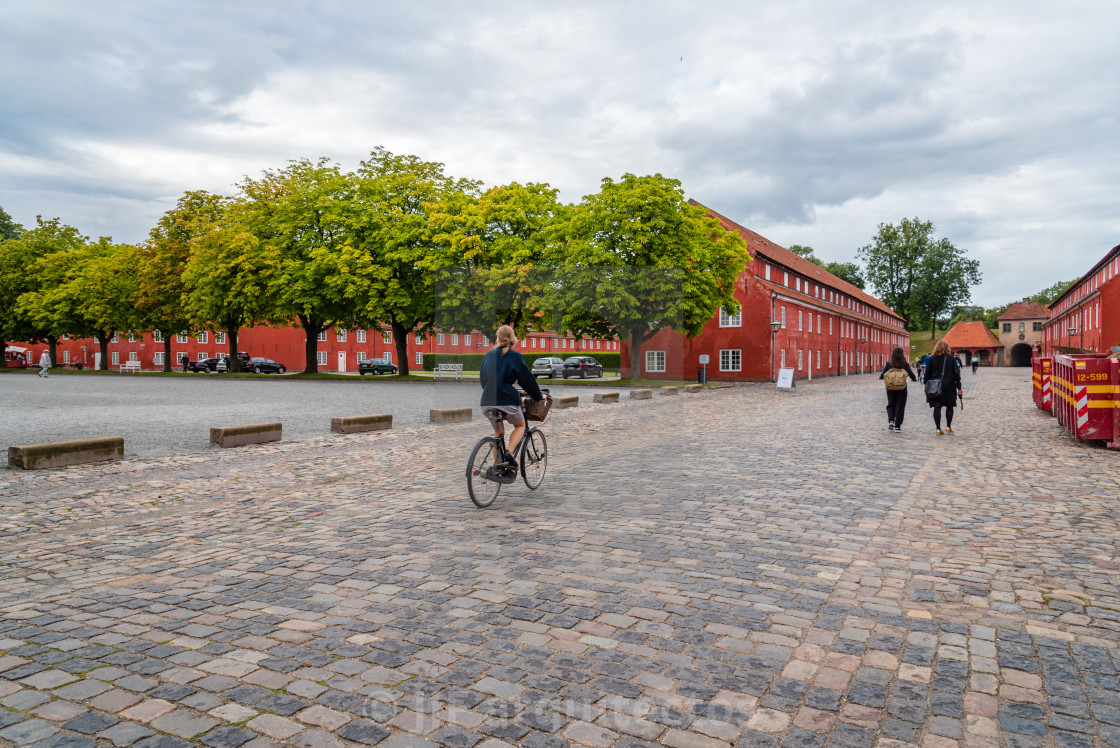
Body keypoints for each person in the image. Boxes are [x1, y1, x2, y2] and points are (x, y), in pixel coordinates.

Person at [480, 325, 543, 469]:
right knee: (520, 426)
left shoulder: (488, 355)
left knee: (498, 434)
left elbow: (483, 379)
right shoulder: (515, 356)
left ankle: (499, 468)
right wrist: (538, 396)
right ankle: (509, 452)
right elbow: (527, 380)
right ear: (513, 338)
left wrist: (490, 391)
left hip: (487, 401)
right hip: (507, 400)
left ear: (497, 338)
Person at [925, 340, 963, 435]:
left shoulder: (931, 359)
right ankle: (948, 426)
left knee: (937, 407)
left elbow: (926, 375)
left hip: (935, 386)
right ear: (947, 348)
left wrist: (926, 385)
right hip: (949, 386)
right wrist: (959, 387)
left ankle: (938, 429)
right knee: (949, 406)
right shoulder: (951, 359)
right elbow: (956, 374)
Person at [879, 347, 917, 432]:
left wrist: (883, 377)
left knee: (891, 404)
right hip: (902, 388)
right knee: (900, 406)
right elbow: (911, 375)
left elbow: (882, 375)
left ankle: (891, 421)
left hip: (890, 387)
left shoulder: (889, 364)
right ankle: (897, 426)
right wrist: (914, 379)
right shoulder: (905, 364)